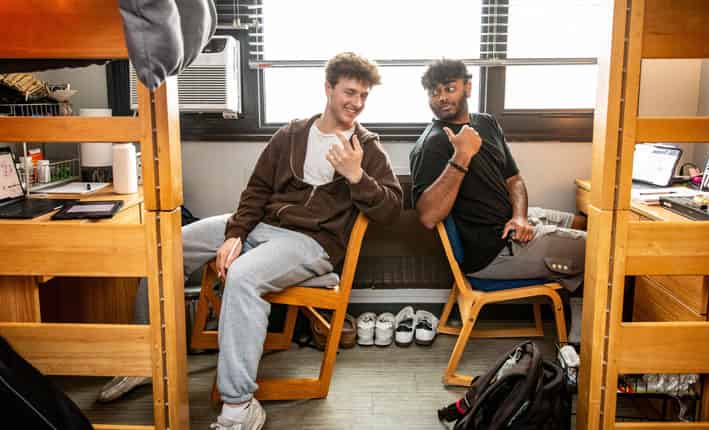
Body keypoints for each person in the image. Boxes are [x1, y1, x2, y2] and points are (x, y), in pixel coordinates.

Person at [98, 52, 402, 430]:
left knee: (242, 276)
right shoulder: (291, 135)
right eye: (350, 92)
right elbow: (257, 189)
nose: (356, 103)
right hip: (262, 226)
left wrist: (357, 177)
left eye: (363, 96)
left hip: (312, 243)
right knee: (165, 247)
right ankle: (143, 360)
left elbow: (391, 210)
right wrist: (236, 234)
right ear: (328, 88)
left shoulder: (367, 148)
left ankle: (240, 405)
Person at [409, 59, 586, 342]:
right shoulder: (432, 145)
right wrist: (461, 156)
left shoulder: (486, 123)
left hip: (513, 223)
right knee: (602, 249)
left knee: (589, 223)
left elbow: (514, 180)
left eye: (449, 88)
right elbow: (428, 217)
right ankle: (580, 341)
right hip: (494, 251)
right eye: (433, 92)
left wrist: (520, 217)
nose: (441, 97)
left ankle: (578, 321)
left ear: (467, 87)